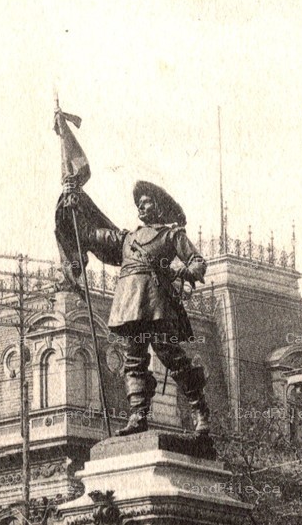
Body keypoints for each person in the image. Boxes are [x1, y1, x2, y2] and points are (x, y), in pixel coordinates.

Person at [56, 175, 212, 439]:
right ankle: (138, 414)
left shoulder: (171, 235)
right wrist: (73, 200)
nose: (141, 206)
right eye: (139, 202)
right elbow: (89, 235)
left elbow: (198, 261)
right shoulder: (127, 238)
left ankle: (200, 410)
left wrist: (186, 272)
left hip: (157, 305)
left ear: (159, 207)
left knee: (171, 356)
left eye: (147, 201)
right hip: (130, 306)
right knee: (134, 359)